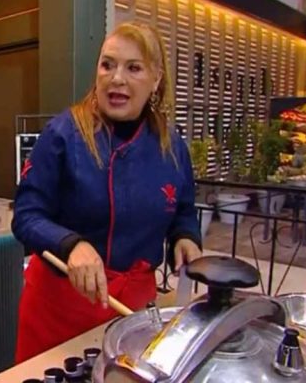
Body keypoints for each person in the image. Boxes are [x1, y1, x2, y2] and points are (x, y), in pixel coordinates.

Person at [12, 22, 203, 363]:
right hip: (58, 311)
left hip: (134, 312)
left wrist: (185, 236)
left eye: (133, 68)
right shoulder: (63, 134)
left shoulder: (172, 146)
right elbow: (26, 215)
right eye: (107, 65)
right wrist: (70, 244)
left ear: (156, 79)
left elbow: (183, 209)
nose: (116, 78)